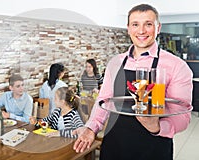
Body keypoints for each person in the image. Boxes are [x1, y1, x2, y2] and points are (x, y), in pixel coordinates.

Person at [73, 4, 193, 160]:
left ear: (158, 27)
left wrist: (156, 127)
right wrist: (91, 128)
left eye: (148, 24)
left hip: (153, 148)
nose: (141, 31)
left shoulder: (177, 66)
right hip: (114, 145)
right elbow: (103, 101)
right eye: (135, 24)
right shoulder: (115, 62)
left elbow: (183, 118)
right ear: (128, 28)